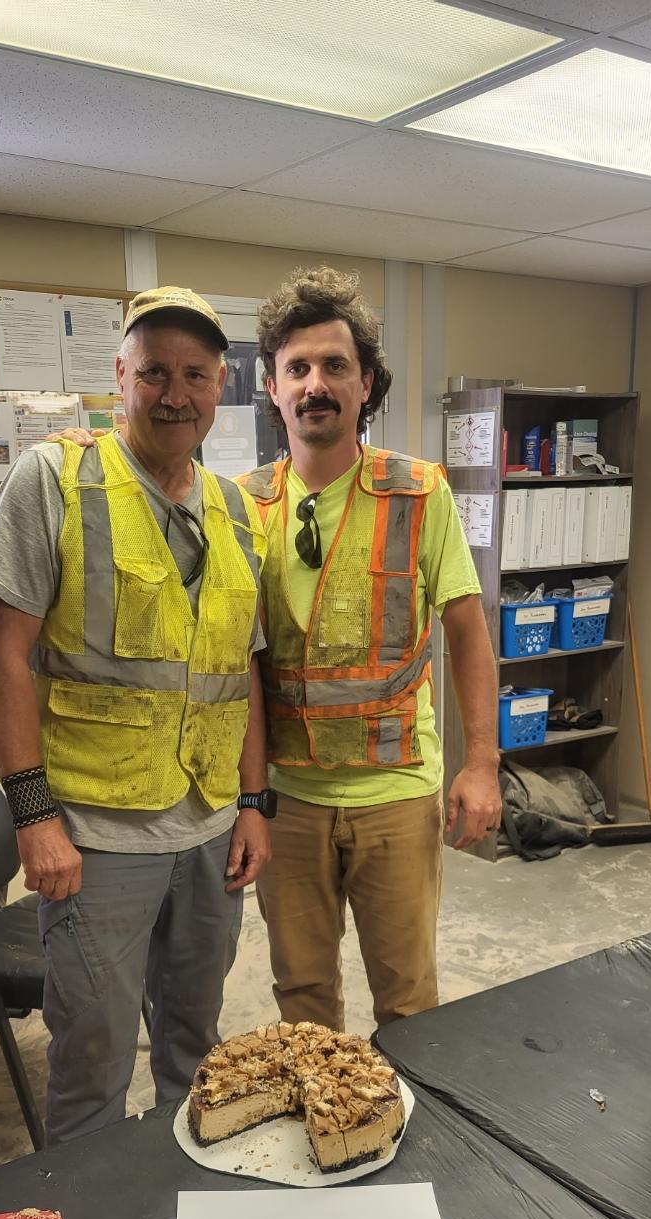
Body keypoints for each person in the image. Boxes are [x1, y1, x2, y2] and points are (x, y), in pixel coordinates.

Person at [0, 286, 272, 1145]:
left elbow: (238, 672)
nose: (175, 394)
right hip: (97, 839)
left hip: (211, 831)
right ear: (120, 378)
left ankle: (181, 1209)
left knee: (196, 1051)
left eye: (195, 375)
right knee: (95, 1059)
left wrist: (254, 805)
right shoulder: (57, 480)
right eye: (153, 374)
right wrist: (35, 820)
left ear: (220, 386)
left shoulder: (237, 510)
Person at [243, 266, 501, 1031]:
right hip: (288, 803)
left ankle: (416, 1144)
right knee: (303, 1000)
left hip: (396, 793)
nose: (315, 384)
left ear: (367, 384)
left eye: (334, 366)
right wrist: (251, 799)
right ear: (273, 387)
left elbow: (468, 631)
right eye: (298, 368)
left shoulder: (420, 493)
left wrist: (482, 764)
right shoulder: (242, 505)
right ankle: (327, 1133)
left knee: (410, 1003)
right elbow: (241, 668)